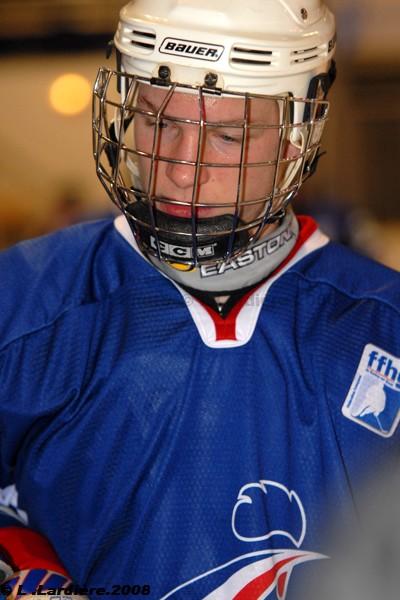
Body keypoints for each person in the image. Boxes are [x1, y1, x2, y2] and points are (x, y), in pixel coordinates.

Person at [0, 0, 399, 598]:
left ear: (298, 136)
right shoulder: (23, 300)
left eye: (230, 134)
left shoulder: (384, 323)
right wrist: (21, 563)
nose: (183, 169)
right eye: (159, 122)